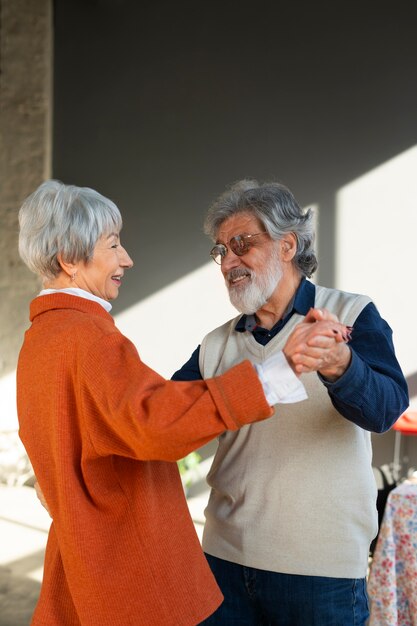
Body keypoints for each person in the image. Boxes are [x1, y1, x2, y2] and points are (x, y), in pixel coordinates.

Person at [16, 180, 348, 626]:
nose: (126, 259)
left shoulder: (40, 339)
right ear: (70, 261)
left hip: (84, 558)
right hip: (126, 572)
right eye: (113, 244)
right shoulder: (87, 337)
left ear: (288, 247)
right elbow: (156, 420)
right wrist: (277, 371)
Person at [172, 179, 409, 626]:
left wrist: (342, 364)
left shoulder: (353, 314)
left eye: (242, 243)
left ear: (287, 245)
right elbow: (169, 419)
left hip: (321, 575)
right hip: (224, 564)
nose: (229, 261)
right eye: (221, 250)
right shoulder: (215, 345)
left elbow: (385, 409)